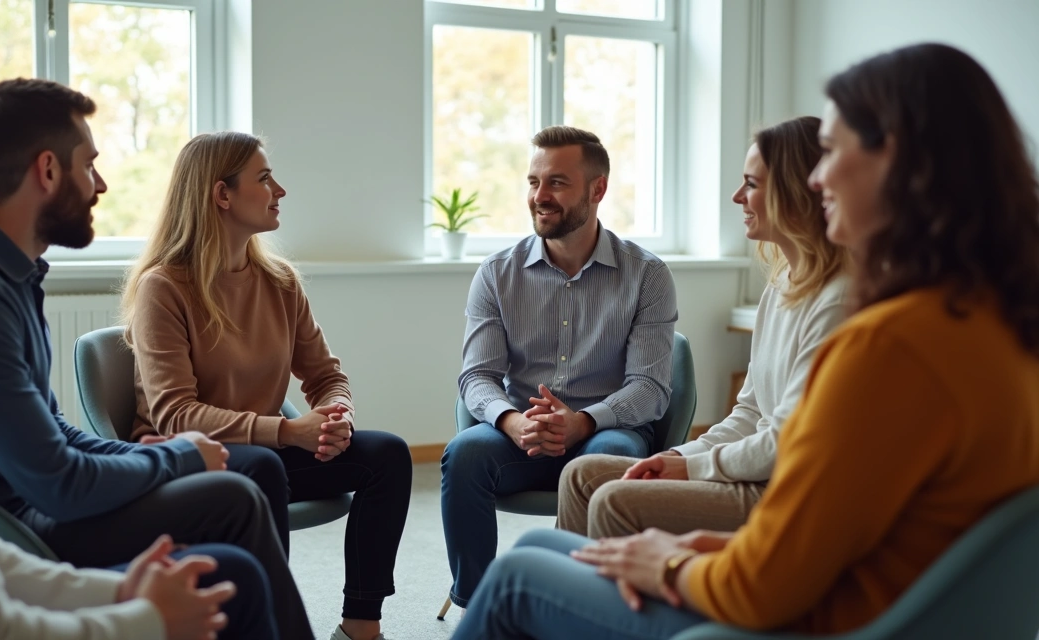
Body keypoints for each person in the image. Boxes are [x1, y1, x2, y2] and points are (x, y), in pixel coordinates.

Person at [451, 43, 1039, 640]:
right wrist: (711, 540)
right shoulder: (989, 322)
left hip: (810, 620)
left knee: (521, 573)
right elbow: (826, 523)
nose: (817, 178)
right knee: (551, 547)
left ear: (900, 164)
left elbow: (768, 579)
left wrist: (675, 562)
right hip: (866, 598)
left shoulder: (887, 344)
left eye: (831, 153)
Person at [0, 2, 271, 638]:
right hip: (21, 515)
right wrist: (142, 614)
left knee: (243, 493)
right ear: (49, 170)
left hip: (7, 523)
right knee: (232, 526)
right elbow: (1, 560)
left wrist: (125, 564)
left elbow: (39, 442)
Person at [0, 80, 313, 639]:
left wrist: (168, 452)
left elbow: (52, 428)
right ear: (48, 171)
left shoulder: (3, 270)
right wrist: (177, 459)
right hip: (13, 528)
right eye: (91, 166)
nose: (100, 185)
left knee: (240, 492)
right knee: (233, 497)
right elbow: (58, 483)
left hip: (32, 497)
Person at [121, 131, 412, 640]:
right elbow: (175, 413)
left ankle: (360, 628)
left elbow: (326, 376)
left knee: (387, 454)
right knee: (260, 466)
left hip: (266, 454)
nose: (280, 190)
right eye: (264, 178)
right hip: (186, 462)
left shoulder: (278, 282)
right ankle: (272, 627)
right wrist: (287, 431)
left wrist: (334, 416)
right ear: (222, 194)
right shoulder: (163, 287)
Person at [558, 116, 849, 539]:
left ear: (796, 192)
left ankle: (602, 601)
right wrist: (679, 455)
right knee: (583, 474)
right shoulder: (781, 285)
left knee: (614, 498)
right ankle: (565, 596)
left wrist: (691, 468)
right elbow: (750, 412)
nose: (737, 197)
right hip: (753, 469)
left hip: (786, 489)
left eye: (751, 184)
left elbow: (788, 440)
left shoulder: (835, 301)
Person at [440, 125, 679, 611]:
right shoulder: (496, 273)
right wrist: (513, 420)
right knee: (464, 455)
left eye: (556, 183)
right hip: (521, 434)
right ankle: (481, 605)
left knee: (608, 460)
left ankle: (579, 604)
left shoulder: (647, 275)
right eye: (533, 182)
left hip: (606, 429)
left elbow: (650, 388)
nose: (539, 196)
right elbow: (477, 376)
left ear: (598, 189)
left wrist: (583, 422)